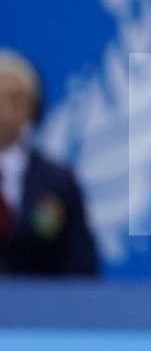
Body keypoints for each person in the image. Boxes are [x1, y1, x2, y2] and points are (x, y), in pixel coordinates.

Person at [0, 50, 98, 277]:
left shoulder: (58, 181)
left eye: (14, 99)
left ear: (33, 108)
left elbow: (80, 264)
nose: (3, 109)